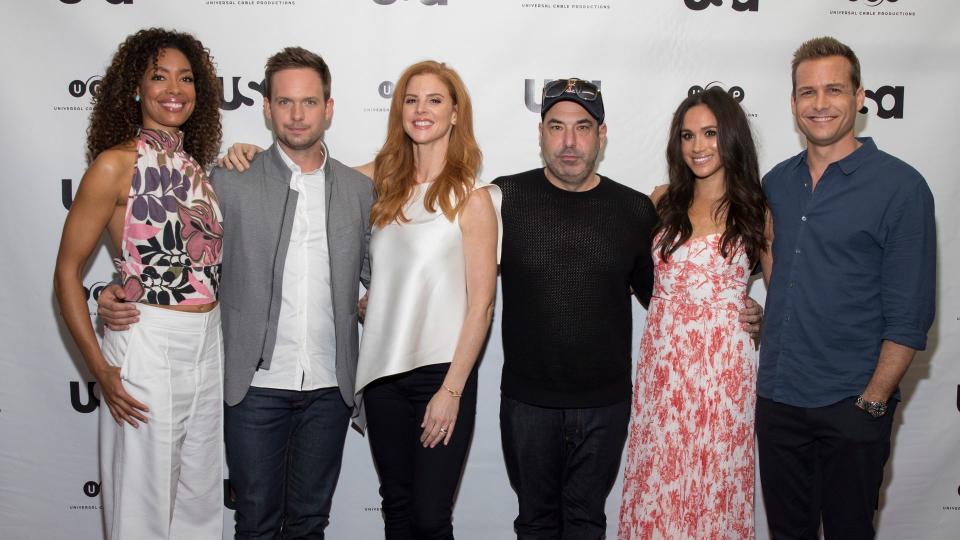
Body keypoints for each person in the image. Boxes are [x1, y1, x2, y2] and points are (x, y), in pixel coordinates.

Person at [97, 47, 375, 539]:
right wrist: (109, 290)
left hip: (331, 386)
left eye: (309, 102)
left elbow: (380, 274)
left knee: (311, 523)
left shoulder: (358, 190)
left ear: (328, 109)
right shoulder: (225, 180)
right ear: (265, 107)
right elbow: (172, 259)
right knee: (255, 523)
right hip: (253, 386)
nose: (296, 114)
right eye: (284, 102)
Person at [492, 78, 763, 539]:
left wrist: (751, 309)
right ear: (540, 133)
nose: (570, 140)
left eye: (582, 127)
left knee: (590, 519)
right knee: (537, 521)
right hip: (535, 400)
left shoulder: (637, 207)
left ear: (602, 134)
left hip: (628, 397)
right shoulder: (505, 198)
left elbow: (655, 286)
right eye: (556, 127)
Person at [757, 36, 935, 539]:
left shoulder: (901, 187)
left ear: (861, 97)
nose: (820, 104)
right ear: (792, 103)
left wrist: (873, 403)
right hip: (779, 399)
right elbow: (781, 280)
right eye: (807, 93)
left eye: (834, 89)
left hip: (852, 403)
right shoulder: (776, 183)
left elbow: (911, 315)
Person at [54, 28, 225, 539]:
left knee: (198, 503)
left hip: (207, 345)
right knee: (140, 505)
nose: (175, 88)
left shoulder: (197, 169)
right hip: (147, 341)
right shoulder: (114, 164)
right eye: (159, 76)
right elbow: (65, 273)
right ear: (136, 88)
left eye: (186, 78)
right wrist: (101, 370)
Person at [352, 60, 500, 540]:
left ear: (455, 113)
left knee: (431, 519)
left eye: (435, 100)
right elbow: (314, 175)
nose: (421, 110)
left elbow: (481, 306)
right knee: (396, 509)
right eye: (411, 100)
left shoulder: (472, 197)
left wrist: (452, 391)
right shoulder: (383, 186)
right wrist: (251, 156)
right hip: (381, 374)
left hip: (442, 375)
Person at [617, 87, 770, 539]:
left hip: (725, 373)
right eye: (688, 135)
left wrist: (759, 312)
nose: (698, 147)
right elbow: (633, 275)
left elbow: (785, 290)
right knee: (657, 481)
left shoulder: (757, 210)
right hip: (663, 366)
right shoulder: (661, 200)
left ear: (732, 138)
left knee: (716, 482)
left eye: (710, 134)